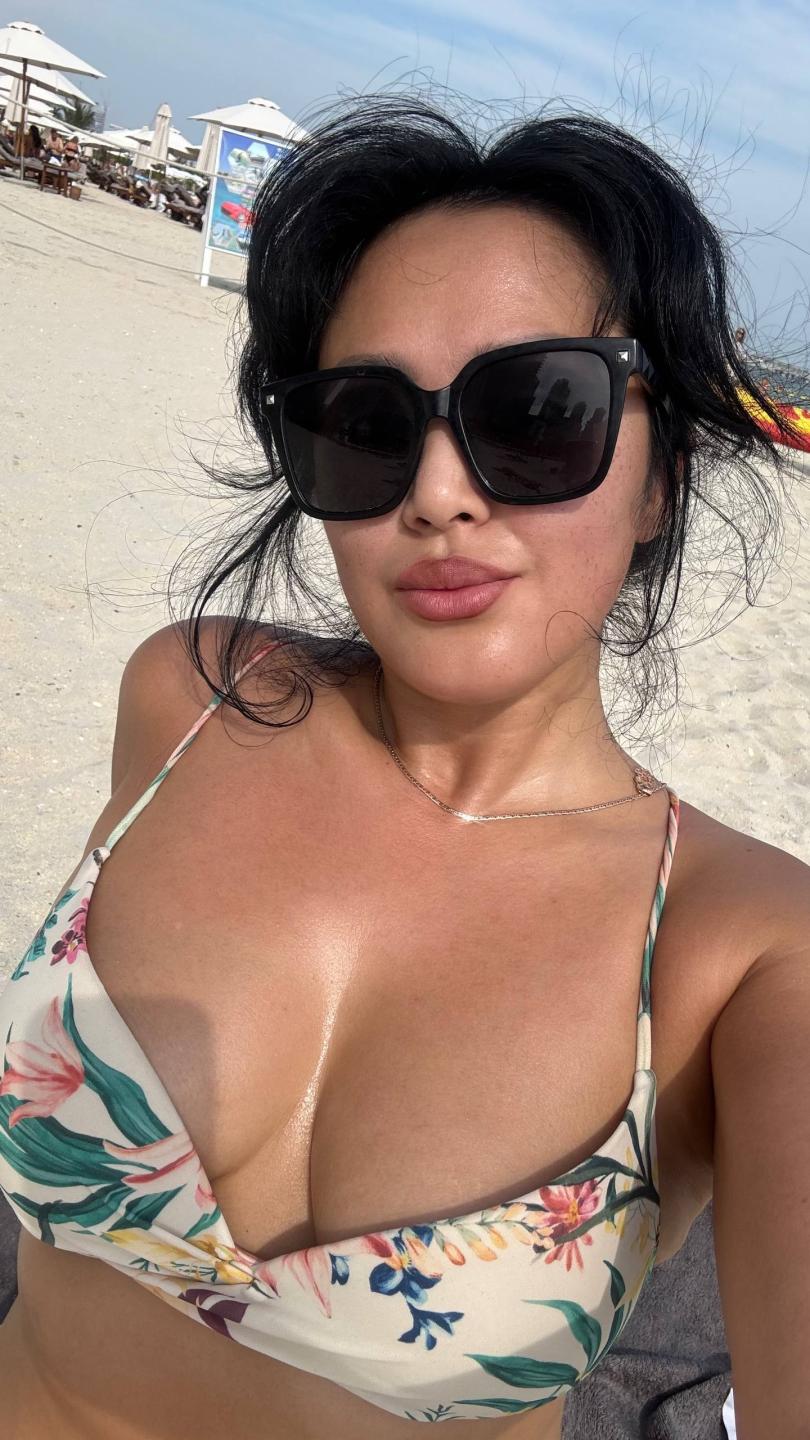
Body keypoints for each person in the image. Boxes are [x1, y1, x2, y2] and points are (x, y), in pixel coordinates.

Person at [0, 94, 807, 1440]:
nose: (437, 491)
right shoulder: (189, 704)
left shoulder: (747, 955)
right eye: (367, 426)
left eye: (536, 411)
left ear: (661, 474)